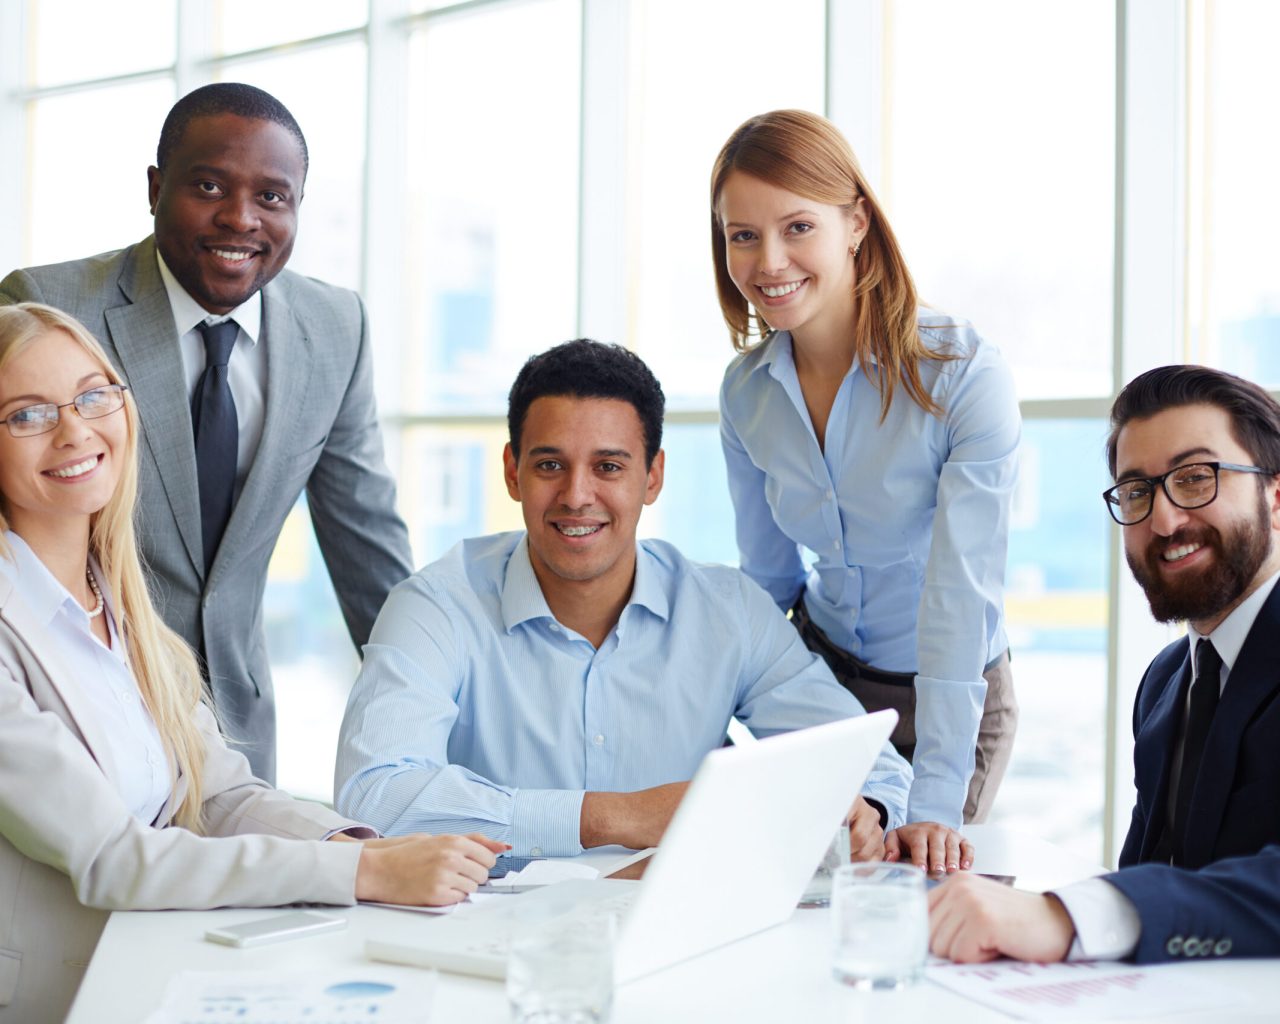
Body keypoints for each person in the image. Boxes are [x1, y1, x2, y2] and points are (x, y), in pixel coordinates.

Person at [0, 304, 502, 1024]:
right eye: (27, 414)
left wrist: (360, 844)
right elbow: (114, 856)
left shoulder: (121, 606)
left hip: (163, 964)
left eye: (91, 395)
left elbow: (216, 797)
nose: (75, 429)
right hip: (60, 996)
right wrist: (365, 874)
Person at [335, 339, 970, 871]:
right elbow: (374, 797)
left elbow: (871, 764)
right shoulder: (435, 607)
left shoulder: (726, 611)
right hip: (485, 939)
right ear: (512, 472)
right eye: (550, 464)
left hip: (681, 939)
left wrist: (866, 813)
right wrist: (622, 815)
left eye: (609, 466)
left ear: (653, 476)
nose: (576, 495)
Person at [0, 84, 413, 783]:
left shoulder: (335, 328)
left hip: (238, 728)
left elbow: (367, 547)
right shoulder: (45, 304)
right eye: (209, 185)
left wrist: (426, 722)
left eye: (273, 198)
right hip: (73, 709)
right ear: (157, 187)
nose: (240, 219)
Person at [710, 109, 1021, 830]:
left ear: (855, 223)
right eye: (743, 236)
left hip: (951, 690)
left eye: (798, 228)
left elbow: (959, 600)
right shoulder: (745, 393)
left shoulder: (962, 377)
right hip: (823, 689)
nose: (769, 263)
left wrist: (935, 805)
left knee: (916, 897)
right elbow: (768, 583)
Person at [929, 364, 1280, 964]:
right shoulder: (1168, 683)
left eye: (1196, 478)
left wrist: (1066, 917)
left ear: (1275, 498)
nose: (1164, 520)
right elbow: (1151, 876)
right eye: (1138, 492)